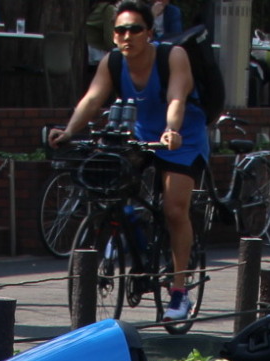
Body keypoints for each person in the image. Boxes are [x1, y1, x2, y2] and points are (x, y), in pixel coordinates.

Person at [50, 0, 207, 322]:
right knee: (112, 187)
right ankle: (134, 243)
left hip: (180, 136)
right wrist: (68, 131)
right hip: (138, 134)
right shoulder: (113, 63)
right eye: (120, 29)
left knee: (174, 209)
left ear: (149, 32)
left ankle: (180, 291)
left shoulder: (171, 56)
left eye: (135, 29)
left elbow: (177, 96)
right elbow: (93, 99)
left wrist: (171, 129)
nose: (127, 36)